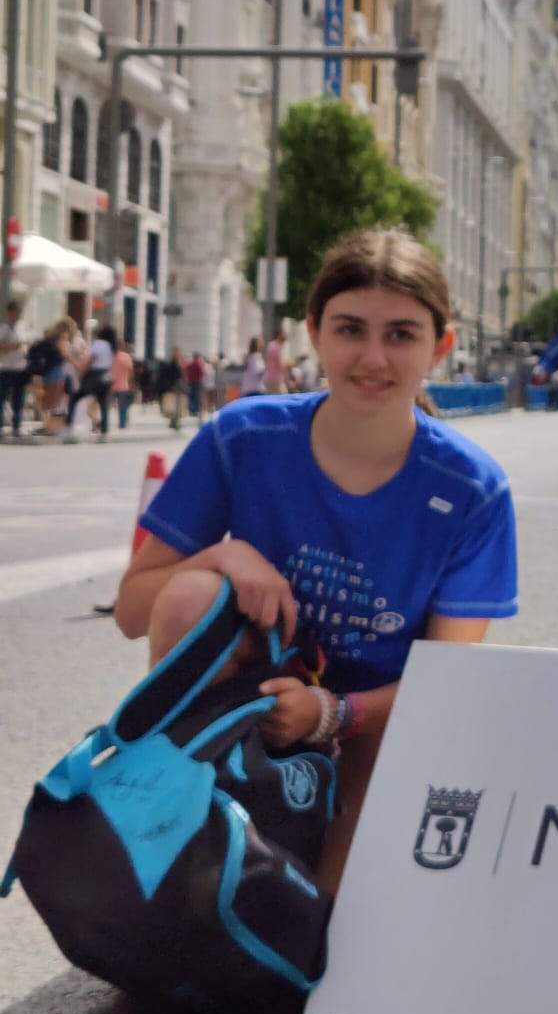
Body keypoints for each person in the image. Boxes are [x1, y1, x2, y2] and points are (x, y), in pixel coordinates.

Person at [111, 228, 518, 896]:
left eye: (401, 335)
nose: (372, 358)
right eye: (350, 329)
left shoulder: (472, 487)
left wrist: (332, 714)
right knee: (188, 596)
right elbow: (134, 611)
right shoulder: (244, 436)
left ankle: (305, 866)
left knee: (321, 939)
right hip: (255, 694)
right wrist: (224, 553)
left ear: (440, 347)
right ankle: (183, 819)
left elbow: (449, 681)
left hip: (375, 718)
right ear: (314, 333)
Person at [70, 323, 116, 439]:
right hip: (107, 374)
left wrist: (81, 371)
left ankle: (69, 423)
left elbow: (91, 359)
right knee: (103, 403)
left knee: (76, 397)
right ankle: (105, 430)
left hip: (95, 375)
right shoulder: (111, 346)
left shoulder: (99, 344)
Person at [0, 299, 27, 441]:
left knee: (19, 399)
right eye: (13, 313)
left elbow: (27, 343)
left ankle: (17, 426)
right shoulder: (3, 328)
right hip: (6, 368)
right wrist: (12, 346)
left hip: (20, 368)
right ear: (9, 313)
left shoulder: (22, 327)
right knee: (2, 398)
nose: (15, 315)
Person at [157, 347, 186, 430]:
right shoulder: (171, 364)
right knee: (173, 406)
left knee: (177, 407)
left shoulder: (178, 364)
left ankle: (175, 422)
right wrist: (170, 386)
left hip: (177, 388)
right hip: (173, 388)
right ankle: (174, 422)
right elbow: (169, 376)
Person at [110, 337, 136, 430]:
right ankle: (122, 424)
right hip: (123, 385)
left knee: (107, 405)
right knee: (123, 406)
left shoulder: (112, 356)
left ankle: (105, 423)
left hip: (112, 385)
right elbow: (131, 372)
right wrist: (132, 383)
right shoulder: (126, 357)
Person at [184, 349, 208, 422]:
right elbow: (202, 373)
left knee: (191, 396)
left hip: (190, 382)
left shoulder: (189, 364)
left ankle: (191, 410)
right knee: (196, 397)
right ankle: (195, 411)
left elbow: (186, 372)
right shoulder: (198, 365)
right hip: (197, 383)